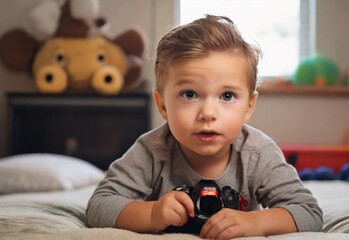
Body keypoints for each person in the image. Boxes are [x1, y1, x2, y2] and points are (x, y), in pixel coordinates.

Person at [86, 15, 323, 239]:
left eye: (227, 96)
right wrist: (152, 214)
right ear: (163, 105)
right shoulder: (152, 150)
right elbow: (100, 206)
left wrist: (255, 222)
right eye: (189, 94)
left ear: (249, 107)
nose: (208, 113)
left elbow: (308, 212)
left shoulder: (257, 153)